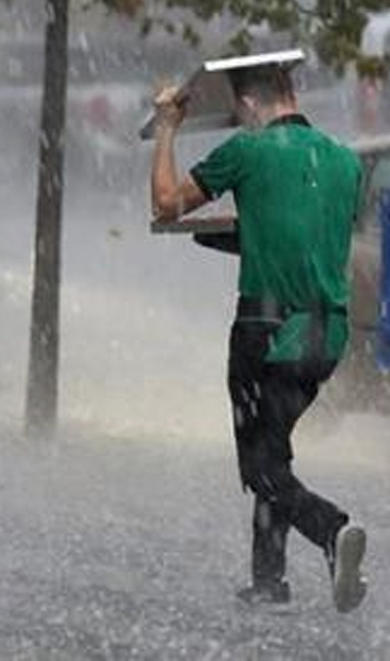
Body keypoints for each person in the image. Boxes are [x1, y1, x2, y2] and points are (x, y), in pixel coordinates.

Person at [148, 61, 368, 613]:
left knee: (260, 467)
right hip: (327, 335)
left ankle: (331, 530)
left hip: (266, 331)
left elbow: (166, 203)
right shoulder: (345, 161)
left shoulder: (246, 152)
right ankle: (268, 580)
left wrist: (169, 127)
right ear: (291, 92)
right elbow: (308, 237)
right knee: (274, 449)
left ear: (248, 105)